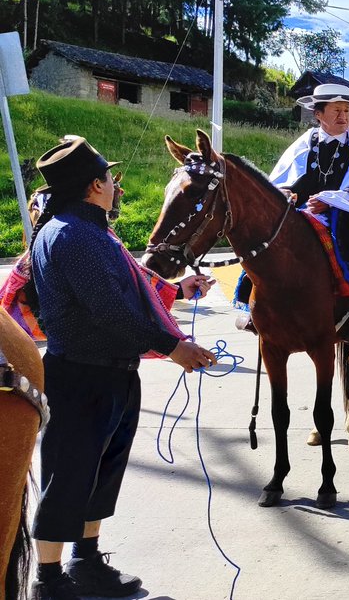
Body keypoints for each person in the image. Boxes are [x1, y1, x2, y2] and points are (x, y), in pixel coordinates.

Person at [27, 138, 216, 600]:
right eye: (110, 178)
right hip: (81, 376)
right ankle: (49, 582)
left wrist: (180, 288)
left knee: (101, 473)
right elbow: (111, 310)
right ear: (95, 185)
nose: (117, 186)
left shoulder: (88, 230)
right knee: (68, 477)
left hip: (111, 374)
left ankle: (86, 561)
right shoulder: (72, 234)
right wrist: (173, 346)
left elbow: (130, 286)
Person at [269, 83, 349, 285]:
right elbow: (285, 180)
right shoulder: (303, 143)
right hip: (300, 215)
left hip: (345, 219)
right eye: (337, 110)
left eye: (347, 111)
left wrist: (333, 201)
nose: (344, 116)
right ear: (318, 114)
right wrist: (287, 193)